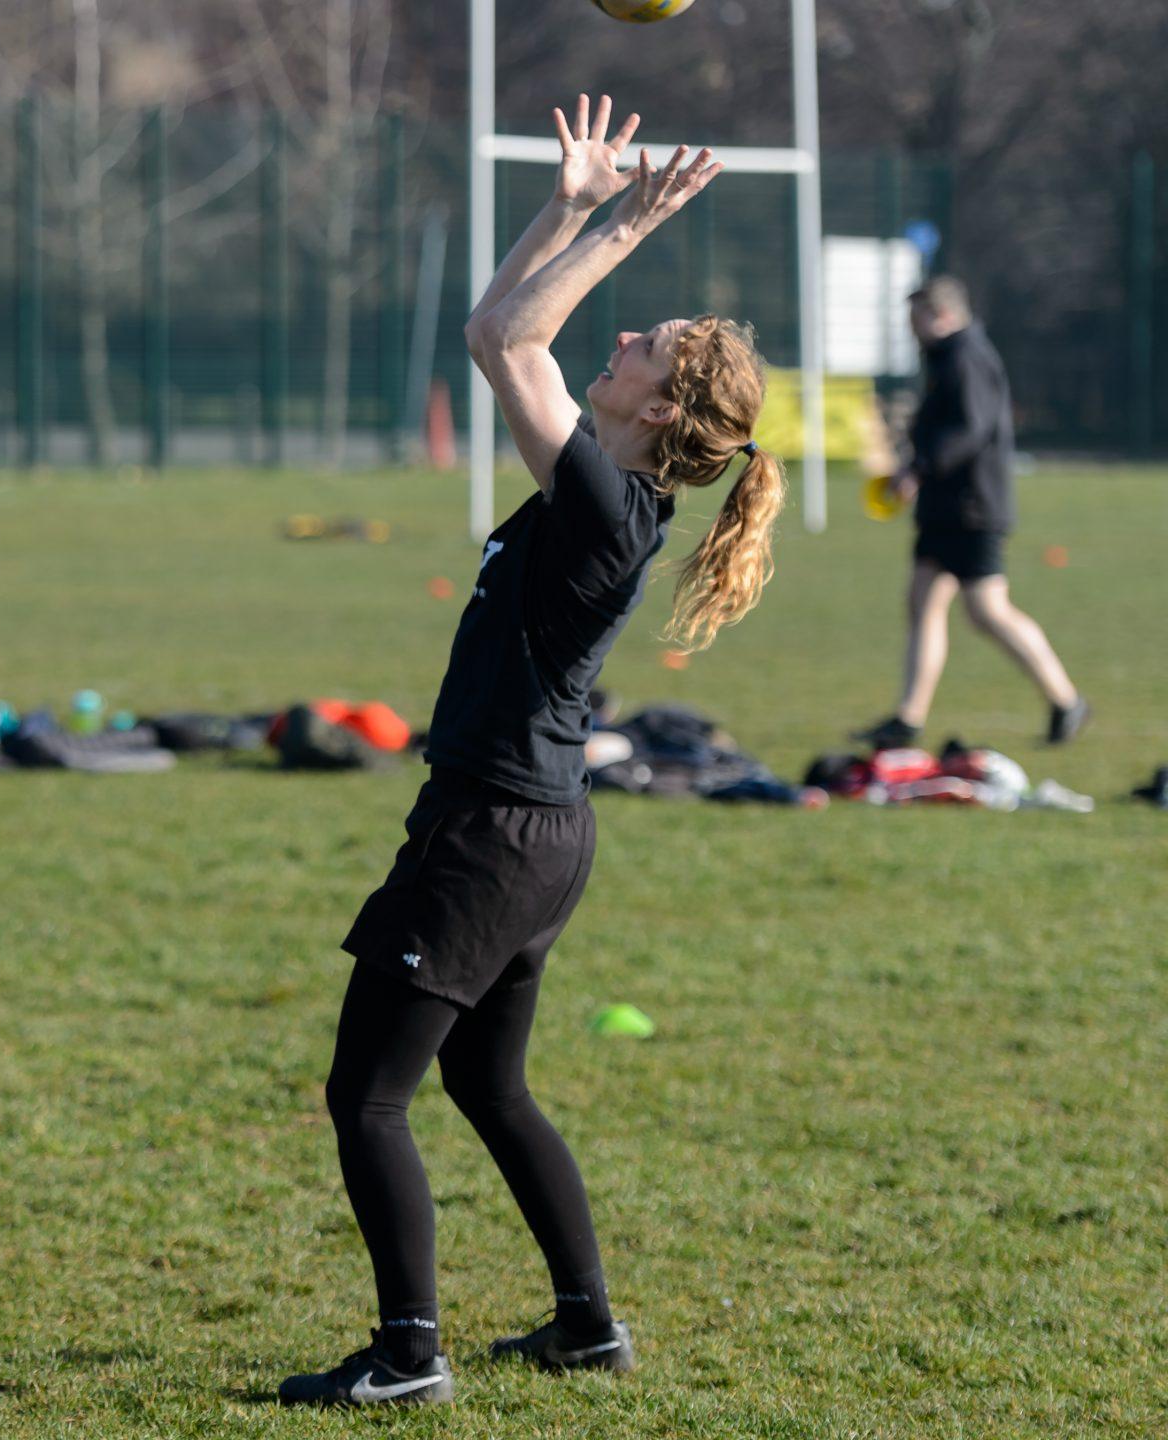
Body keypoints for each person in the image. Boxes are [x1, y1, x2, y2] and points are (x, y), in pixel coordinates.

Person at [283, 96, 781, 1408]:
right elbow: (492, 335)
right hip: (537, 830)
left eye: (648, 342)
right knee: (488, 1089)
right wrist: (567, 208)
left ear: (660, 400)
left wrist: (629, 218)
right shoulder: (600, 492)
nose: (623, 334)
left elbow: (521, 334)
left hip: (493, 833)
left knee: (366, 1097)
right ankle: (586, 1327)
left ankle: (407, 1357)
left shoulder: (612, 509)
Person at [852, 275, 1088, 750]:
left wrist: (918, 467)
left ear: (942, 315)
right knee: (923, 600)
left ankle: (1066, 700)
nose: (910, 327)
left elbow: (969, 430)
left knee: (987, 611)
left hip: (974, 507)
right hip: (946, 507)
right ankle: (907, 719)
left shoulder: (967, 357)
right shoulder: (947, 358)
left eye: (916, 317)